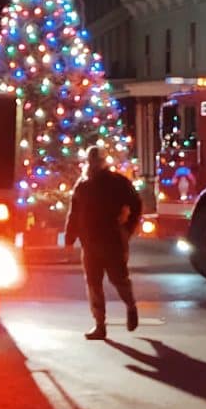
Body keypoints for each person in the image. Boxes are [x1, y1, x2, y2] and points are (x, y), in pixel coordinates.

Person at [63, 146, 142, 341]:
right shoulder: (82, 185)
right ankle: (99, 325)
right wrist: (69, 237)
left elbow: (135, 203)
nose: (93, 165)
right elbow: (74, 213)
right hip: (90, 243)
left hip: (111, 240)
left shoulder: (116, 182)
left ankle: (131, 307)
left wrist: (128, 227)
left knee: (119, 279)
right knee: (94, 284)